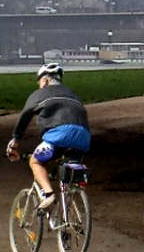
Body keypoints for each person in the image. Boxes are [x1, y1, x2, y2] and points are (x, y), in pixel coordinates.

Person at [6, 63, 90, 210]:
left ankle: (48, 194)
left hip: (59, 135)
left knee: (35, 162)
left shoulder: (39, 94)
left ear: (44, 81)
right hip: (83, 137)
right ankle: (66, 218)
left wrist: (15, 142)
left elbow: (24, 117)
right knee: (69, 174)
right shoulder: (72, 94)